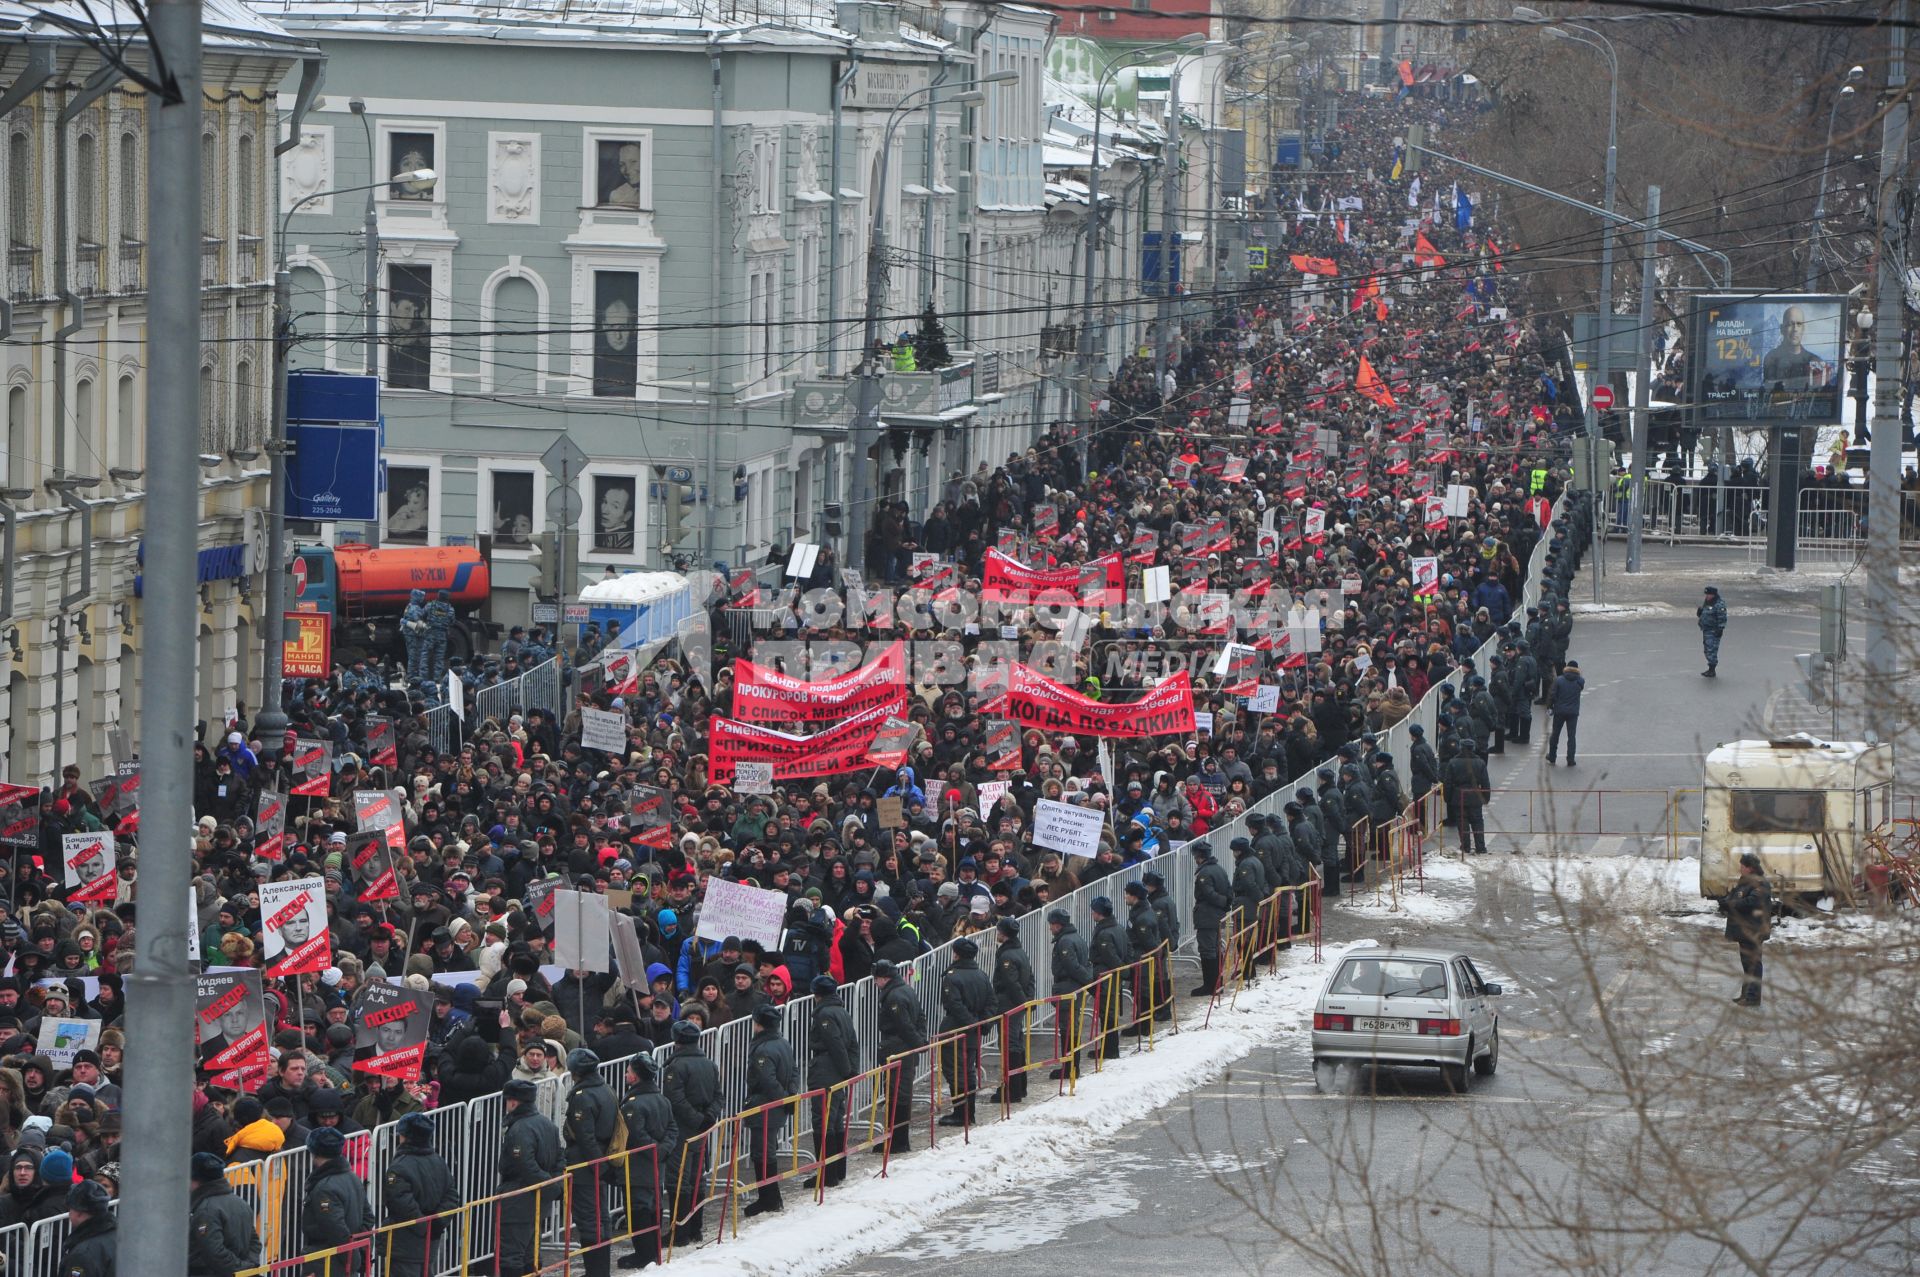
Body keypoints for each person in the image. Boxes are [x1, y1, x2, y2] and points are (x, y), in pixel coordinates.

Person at [661, 1021, 721, 1245]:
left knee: (679, 1179)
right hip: (702, 1128)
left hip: (684, 1129)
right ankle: (696, 1228)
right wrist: (708, 1118)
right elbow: (719, 1096)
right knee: (697, 1177)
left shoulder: (676, 1067)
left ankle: (680, 1232)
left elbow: (675, 1098)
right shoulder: (709, 1064)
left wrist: (697, 1120)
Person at [496, 1078, 562, 1277]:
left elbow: (525, 1164)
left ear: (514, 1102)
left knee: (512, 1254)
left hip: (518, 1196)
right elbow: (560, 1159)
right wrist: (554, 1184)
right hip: (538, 1200)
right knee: (531, 1253)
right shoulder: (547, 1125)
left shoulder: (519, 1129)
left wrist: (549, 1186)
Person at [380, 1112, 459, 1277]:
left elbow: (401, 1203)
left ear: (404, 1136)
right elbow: (451, 1196)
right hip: (432, 1242)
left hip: (406, 1242)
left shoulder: (399, 1167)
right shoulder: (438, 1161)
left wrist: (424, 1227)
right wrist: (437, 1222)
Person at [616, 1056, 677, 1270]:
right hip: (655, 1165)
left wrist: (655, 1150)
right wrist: (663, 1150)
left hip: (637, 1166)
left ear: (636, 1075)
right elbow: (672, 1130)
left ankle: (644, 1253)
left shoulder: (634, 1104)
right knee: (654, 1206)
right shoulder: (662, 1099)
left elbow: (635, 1135)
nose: (625, 1075)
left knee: (638, 1208)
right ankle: (652, 1250)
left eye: (628, 1071)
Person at [562, 1048, 617, 1277]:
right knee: (600, 1216)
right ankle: (600, 1270)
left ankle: (595, 1271)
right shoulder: (606, 1089)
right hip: (601, 1157)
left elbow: (585, 1137)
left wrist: (599, 1165)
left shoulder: (583, 1096)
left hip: (586, 1163)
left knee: (589, 1218)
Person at [741, 1004, 797, 1216]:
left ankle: (769, 1198)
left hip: (765, 1105)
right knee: (767, 1149)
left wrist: (784, 1099)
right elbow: (794, 1071)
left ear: (759, 1024)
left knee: (762, 1152)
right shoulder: (783, 1042)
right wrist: (791, 1095)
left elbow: (767, 1080)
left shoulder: (763, 1049)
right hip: (776, 1104)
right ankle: (771, 1197)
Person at [936, 936, 994, 1126]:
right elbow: (992, 1003)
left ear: (957, 954)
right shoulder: (982, 976)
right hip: (972, 1031)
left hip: (957, 1030)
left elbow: (954, 1005)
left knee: (955, 1071)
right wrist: (982, 1024)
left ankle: (961, 1114)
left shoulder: (952, 977)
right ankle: (968, 1113)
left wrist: (972, 1024)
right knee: (968, 1071)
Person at [806, 975, 858, 1185]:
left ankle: (826, 1174)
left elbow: (835, 1043)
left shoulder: (824, 1014)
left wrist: (846, 1070)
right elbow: (853, 1042)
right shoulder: (841, 1011)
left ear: (816, 994)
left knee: (824, 1120)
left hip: (827, 1071)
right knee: (835, 1120)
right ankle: (837, 1170)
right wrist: (851, 1070)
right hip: (837, 1070)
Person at [873, 959, 926, 1152]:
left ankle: (898, 1141)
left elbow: (904, 1025)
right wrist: (921, 1039)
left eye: (876, 979)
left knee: (897, 1093)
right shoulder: (906, 989)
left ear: (884, 978)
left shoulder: (894, 996)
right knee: (899, 1092)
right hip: (904, 1047)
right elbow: (921, 1017)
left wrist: (918, 1043)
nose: (875, 984)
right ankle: (896, 1138)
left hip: (898, 1048)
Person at [301, 1126, 367, 1277]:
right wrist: (356, 1246)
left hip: (327, 1259)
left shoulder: (324, 1187)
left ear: (314, 1152)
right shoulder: (353, 1178)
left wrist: (352, 1257)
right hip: (345, 1256)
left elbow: (335, 1228)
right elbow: (368, 1217)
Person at [988, 916, 1035, 1104]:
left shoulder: (1007, 955)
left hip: (1009, 1004)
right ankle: (1019, 1086)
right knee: (1016, 1042)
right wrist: (1028, 1001)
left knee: (1009, 1044)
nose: (996, 933)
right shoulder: (1019, 951)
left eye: (999, 930)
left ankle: (1012, 1088)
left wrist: (1022, 1003)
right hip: (1018, 1004)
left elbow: (1011, 983)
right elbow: (1030, 978)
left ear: (1004, 933)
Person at [189, 1150, 259, 1277]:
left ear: (196, 1180)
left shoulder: (206, 1210)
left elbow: (214, 1252)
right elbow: (254, 1241)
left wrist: (241, 1269)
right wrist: (248, 1267)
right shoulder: (240, 1203)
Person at [1045, 908, 1092, 1078]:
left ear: (1058, 925)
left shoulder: (1065, 941)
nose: (1050, 928)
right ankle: (1072, 1066)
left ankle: (1070, 1067)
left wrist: (1088, 980)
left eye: (1051, 925)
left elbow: (1072, 966)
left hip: (1068, 987)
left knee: (1067, 1027)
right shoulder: (1076, 937)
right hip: (1074, 987)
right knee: (1071, 1026)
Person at [1722, 852, 1773, 1007]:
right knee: (1747, 964)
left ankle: (1753, 997)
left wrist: (1732, 904)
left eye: (1743, 866)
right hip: (1744, 930)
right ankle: (1746, 994)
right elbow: (1734, 896)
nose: (1741, 868)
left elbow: (1752, 902)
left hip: (1754, 930)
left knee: (1753, 964)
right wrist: (1724, 901)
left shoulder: (1760, 884)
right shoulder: (1745, 882)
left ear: (1750, 868)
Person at [1085, 896, 1132, 1062]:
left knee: (1107, 1014)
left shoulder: (1104, 933)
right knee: (1108, 1013)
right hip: (1113, 977)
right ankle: (1109, 1047)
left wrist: (1124, 971)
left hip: (1106, 977)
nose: (1092, 914)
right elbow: (1128, 950)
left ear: (1099, 913)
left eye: (1093, 911)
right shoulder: (1118, 928)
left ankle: (1110, 1049)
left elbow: (1111, 957)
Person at [1189, 842, 1231, 997]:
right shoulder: (1219, 869)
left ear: (1199, 857)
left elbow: (1208, 894)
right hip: (1217, 914)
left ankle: (1211, 985)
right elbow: (1229, 889)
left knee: (1207, 950)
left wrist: (1222, 902)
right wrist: (1226, 905)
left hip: (1207, 915)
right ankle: (1217, 982)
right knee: (1215, 947)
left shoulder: (1204, 873)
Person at [1761, 305, 1826, 390]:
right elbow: (1770, 391)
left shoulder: (1814, 361)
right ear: (1782, 329)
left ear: (1803, 328)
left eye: (1799, 324)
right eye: (1790, 324)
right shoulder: (1771, 358)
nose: (1795, 329)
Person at [60, 1180, 117, 1277]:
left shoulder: (82, 1254)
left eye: (70, 1209)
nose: (69, 1214)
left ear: (79, 1213)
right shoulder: (117, 1234)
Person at [423, 591, 457, 684]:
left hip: (430, 634)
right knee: (439, 658)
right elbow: (452, 622)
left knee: (425, 656)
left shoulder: (430, 605)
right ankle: (436, 678)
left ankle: (423, 677)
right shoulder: (450, 609)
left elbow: (423, 615)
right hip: (442, 636)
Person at [1697, 586, 1727, 678]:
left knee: (1712, 650)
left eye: (1709, 594)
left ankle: (1712, 670)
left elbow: (1722, 618)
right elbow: (1707, 613)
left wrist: (1720, 629)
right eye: (1706, 594)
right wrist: (1700, 613)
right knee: (1707, 649)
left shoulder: (1719, 604)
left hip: (1713, 630)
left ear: (1713, 594)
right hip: (1706, 629)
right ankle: (1710, 668)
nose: (1707, 596)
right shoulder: (1707, 601)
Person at [402, 589, 429, 685]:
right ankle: (412, 677)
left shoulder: (409, 606)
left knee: (412, 657)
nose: (423, 599)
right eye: (421, 597)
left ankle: (412, 676)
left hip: (409, 635)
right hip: (415, 637)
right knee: (415, 657)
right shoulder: (416, 609)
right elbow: (419, 625)